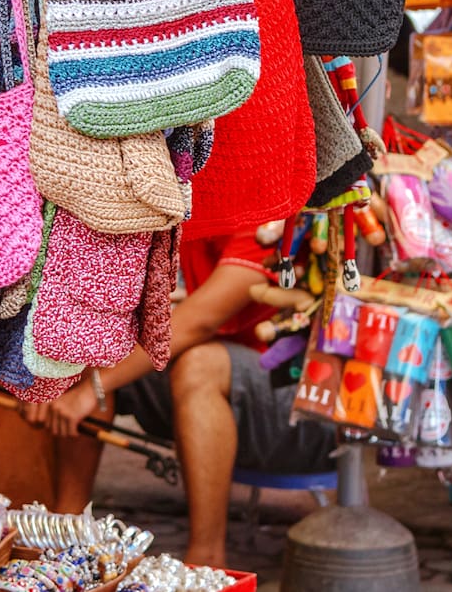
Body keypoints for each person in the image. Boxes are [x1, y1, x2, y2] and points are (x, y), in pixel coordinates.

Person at [22, 225, 335, 568]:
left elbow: (199, 320)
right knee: (94, 342)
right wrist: (56, 373)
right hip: (207, 393)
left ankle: (206, 560)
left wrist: (91, 389)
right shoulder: (187, 197)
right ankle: (64, 529)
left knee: (199, 365)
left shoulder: (267, 215)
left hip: (297, 411)